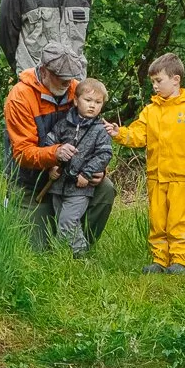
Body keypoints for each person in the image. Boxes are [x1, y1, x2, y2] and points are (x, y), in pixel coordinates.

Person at [111, 53, 185, 274]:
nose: (155, 87)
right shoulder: (151, 110)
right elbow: (138, 135)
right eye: (153, 82)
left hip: (181, 179)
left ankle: (179, 261)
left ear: (176, 79)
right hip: (155, 178)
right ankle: (159, 260)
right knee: (158, 222)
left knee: (178, 221)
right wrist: (118, 133)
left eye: (159, 81)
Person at [4, 42, 112, 250]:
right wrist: (56, 153)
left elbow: (95, 136)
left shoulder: (75, 90)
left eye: (70, 77)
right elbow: (21, 153)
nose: (66, 82)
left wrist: (98, 170)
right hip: (31, 182)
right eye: (60, 77)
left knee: (105, 188)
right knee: (38, 251)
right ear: (44, 71)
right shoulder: (19, 97)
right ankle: (59, 236)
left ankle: (80, 248)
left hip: (71, 178)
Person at [45, 78, 116, 257]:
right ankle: (67, 256)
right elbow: (50, 143)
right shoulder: (63, 123)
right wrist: (51, 165)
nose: (92, 106)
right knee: (63, 220)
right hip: (58, 185)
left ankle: (78, 255)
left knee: (68, 222)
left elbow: (104, 154)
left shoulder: (100, 130)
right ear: (76, 101)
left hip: (80, 188)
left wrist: (87, 172)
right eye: (88, 100)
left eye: (98, 102)